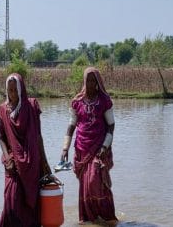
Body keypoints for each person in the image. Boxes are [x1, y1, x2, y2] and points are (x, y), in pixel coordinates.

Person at [60, 67, 118, 225]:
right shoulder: (77, 102)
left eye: (94, 80)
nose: (91, 83)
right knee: (85, 184)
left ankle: (106, 217)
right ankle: (89, 219)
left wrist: (105, 147)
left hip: (99, 147)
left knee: (95, 180)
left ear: (98, 82)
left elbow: (111, 125)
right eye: (88, 80)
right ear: (84, 81)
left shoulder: (104, 101)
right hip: (82, 147)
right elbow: (71, 126)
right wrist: (65, 147)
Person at [0, 73, 52, 227]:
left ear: (21, 90)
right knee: (11, 200)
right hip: (12, 162)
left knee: (30, 204)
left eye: (15, 90)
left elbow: (39, 136)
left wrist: (44, 163)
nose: (12, 94)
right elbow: (1, 137)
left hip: (31, 163)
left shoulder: (31, 106)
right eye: (10, 90)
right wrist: (8, 159)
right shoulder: (2, 110)